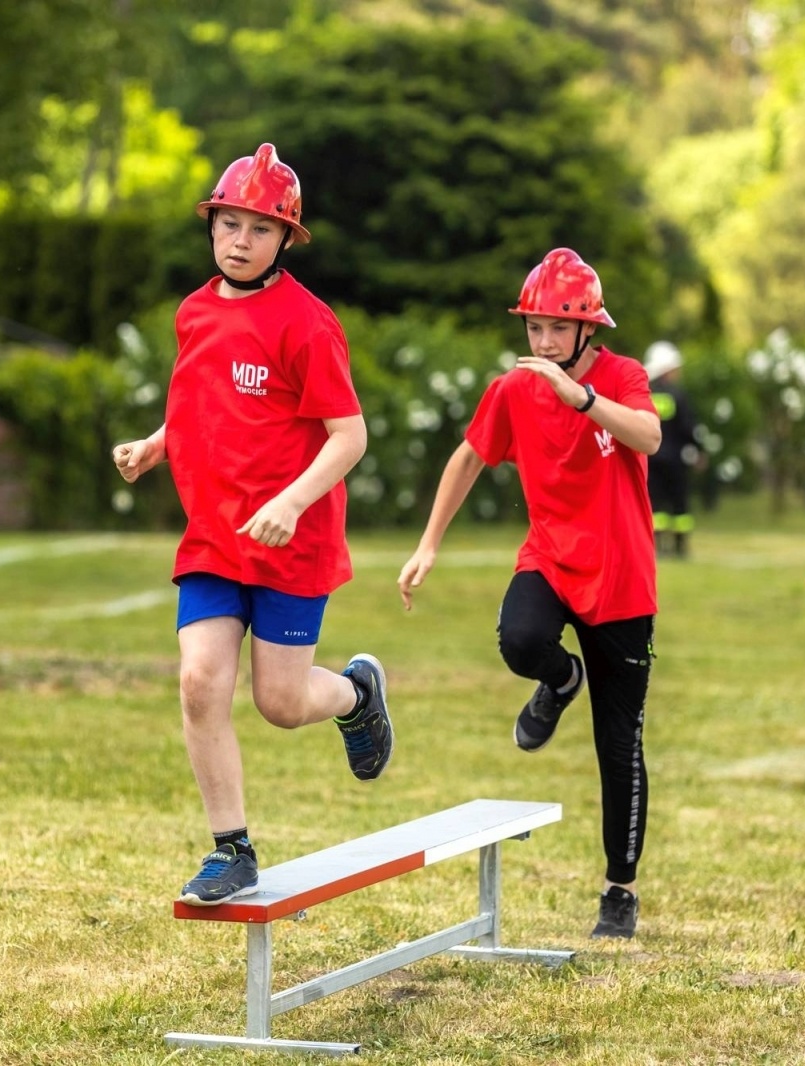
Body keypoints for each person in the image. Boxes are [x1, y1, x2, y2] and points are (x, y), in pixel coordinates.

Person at [111, 144, 393, 906]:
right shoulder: (195, 312)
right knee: (201, 681)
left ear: (285, 239)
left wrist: (291, 502)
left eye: (258, 229)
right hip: (213, 538)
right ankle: (231, 850)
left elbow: (350, 436)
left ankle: (358, 695)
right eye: (228, 223)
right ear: (211, 226)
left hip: (290, 542)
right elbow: (199, 402)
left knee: (281, 704)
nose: (239, 239)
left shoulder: (307, 324)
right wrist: (156, 443)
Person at [396, 248, 659, 939]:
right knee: (521, 639)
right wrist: (428, 544)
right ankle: (560, 678)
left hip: (623, 579)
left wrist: (585, 399)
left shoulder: (622, 377)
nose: (540, 343)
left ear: (586, 332)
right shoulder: (512, 391)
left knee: (618, 745)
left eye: (554, 329)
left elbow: (650, 436)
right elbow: (468, 458)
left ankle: (619, 891)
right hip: (551, 557)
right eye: (533, 328)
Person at [643, 341, 704, 558]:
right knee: (679, 504)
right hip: (676, 459)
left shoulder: (644, 393)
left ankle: (657, 546)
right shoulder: (678, 394)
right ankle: (680, 547)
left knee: (654, 503)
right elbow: (688, 428)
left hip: (650, 458)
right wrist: (700, 450)